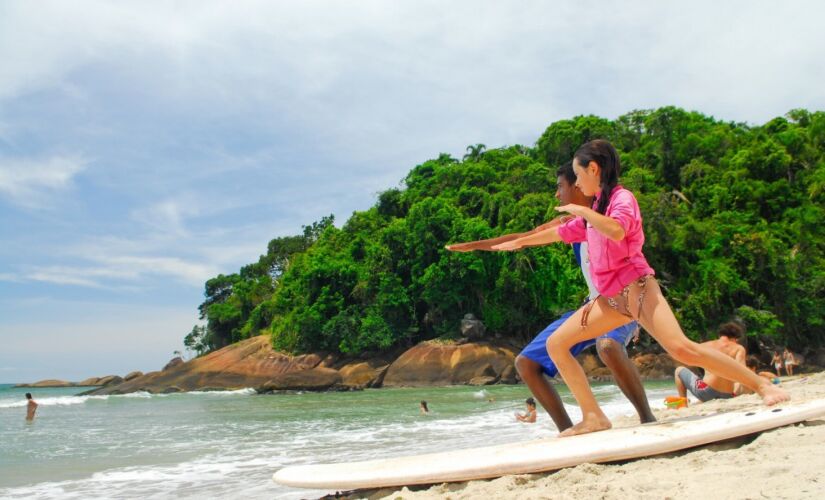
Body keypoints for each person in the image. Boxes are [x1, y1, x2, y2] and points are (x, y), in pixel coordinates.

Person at [492, 139, 789, 436]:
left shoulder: (622, 199)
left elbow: (617, 230)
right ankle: (593, 415)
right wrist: (517, 242)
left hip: (638, 290)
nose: (577, 183)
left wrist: (584, 213)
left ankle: (761, 384)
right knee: (556, 344)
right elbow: (561, 233)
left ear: (594, 169)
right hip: (610, 300)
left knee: (682, 349)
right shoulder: (595, 209)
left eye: (578, 175)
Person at [447, 162, 655, 431]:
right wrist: (475, 246)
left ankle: (647, 419)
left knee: (608, 346)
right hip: (591, 306)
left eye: (560, 187)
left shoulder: (610, 213)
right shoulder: (569, 223)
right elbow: (525, 237)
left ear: (578, 185)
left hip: (621, 301)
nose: (557, 194)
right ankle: (569, 430)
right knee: (526, 363)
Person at [673, 322, 745, 404]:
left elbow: (687, 359)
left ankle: (683, 403)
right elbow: (743, 373)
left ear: (720, 335)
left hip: (706, 392)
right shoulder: (739, 348)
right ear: (734, 338)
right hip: (727, 395)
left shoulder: (705, 346)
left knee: (679, 370)